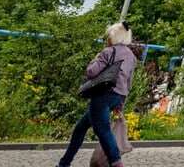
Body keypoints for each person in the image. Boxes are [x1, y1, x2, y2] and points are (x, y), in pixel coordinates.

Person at [57, 22, 137, 167]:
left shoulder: (108, 52)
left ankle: (116, 162)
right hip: (117, 97)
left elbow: (91, 72)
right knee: (81, 128)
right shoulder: (131, 56)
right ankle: (64, 163)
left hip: (102, 96)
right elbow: (128, 82)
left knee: (103, 131)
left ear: (112, 37)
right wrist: (120, 104)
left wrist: (96, 58)